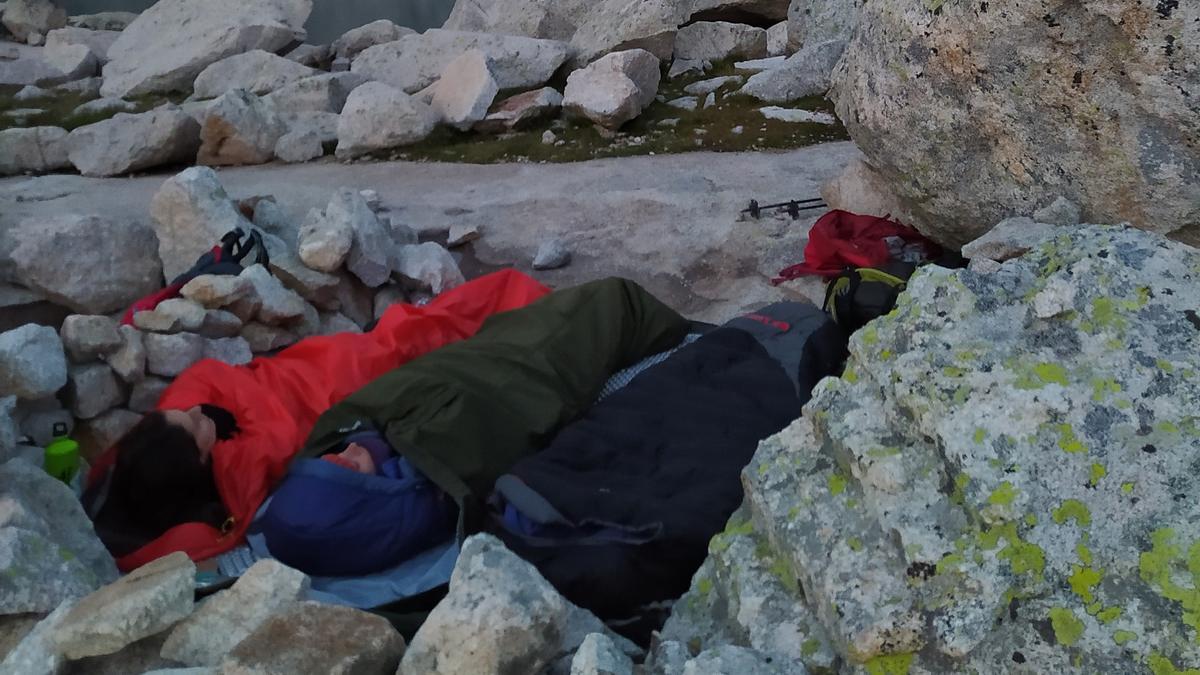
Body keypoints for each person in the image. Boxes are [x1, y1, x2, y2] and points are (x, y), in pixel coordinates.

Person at [85, 270, 551, 572]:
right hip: (324, 397)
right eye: (194, 426)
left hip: (295, 373)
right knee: (409, 344)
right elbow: (278, 444)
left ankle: (517, 300)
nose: (192, 411)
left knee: (399, 335)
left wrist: (210, 409)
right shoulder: (224, 495)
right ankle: (525, 306)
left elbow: (206, 382)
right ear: (200, 461)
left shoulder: (152, 453)